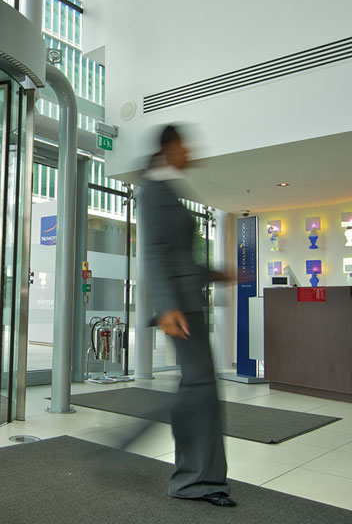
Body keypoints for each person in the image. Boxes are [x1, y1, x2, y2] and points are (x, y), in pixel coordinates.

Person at [139, 124, 236, 508]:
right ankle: (194, 481)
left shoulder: (168, 189)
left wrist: (216, 274)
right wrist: (165, 306)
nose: (190, 152)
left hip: (187, 305)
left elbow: (180, 259)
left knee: (201, 391)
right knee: (198, 391)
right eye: (185, 146)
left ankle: (199, 477)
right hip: (178, 310)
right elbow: (155, 251)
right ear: (171, 147)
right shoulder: (154, 190)